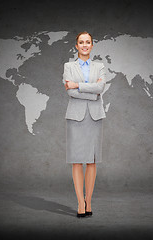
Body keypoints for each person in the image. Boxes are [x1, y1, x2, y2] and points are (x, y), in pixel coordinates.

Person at [63, 31, 107, 218]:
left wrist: (78, 85)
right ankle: (80, 202)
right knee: (76, 160)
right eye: (81, 42)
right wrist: (92, 89)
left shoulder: (100, 66)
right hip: (75, 116)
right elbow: (70, 92)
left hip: (95, 116)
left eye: (87, 42)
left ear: (92, 45)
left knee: (92, 160)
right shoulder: (68, 66)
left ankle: (89, 200)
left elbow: (101, 88)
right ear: (76, 45)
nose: (84, 45)